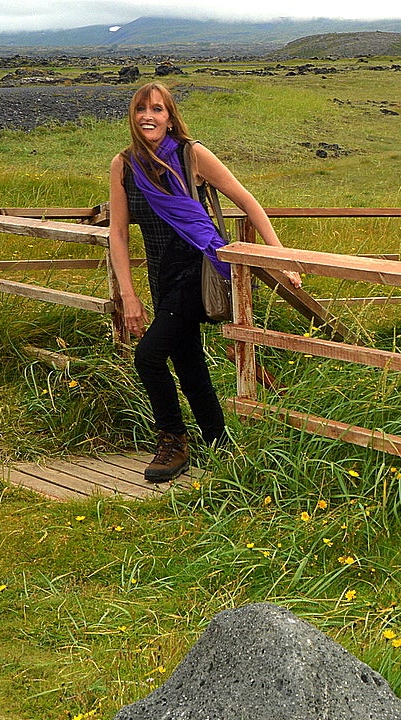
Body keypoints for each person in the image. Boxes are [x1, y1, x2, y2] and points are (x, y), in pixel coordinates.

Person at [107, 82, 287, 482]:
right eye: (141, 109)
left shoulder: (191, 154)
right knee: (188, 364)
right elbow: (117, 234)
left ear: (170, 118)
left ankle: (172, 440)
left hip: (200, 268)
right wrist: (129, 294)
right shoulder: (124, 164)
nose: (148, 116)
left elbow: (246, 199)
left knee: (148, 356)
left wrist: (278, 253)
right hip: (162, 277)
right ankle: (221, 447)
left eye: (157, 108)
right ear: (133, 117)